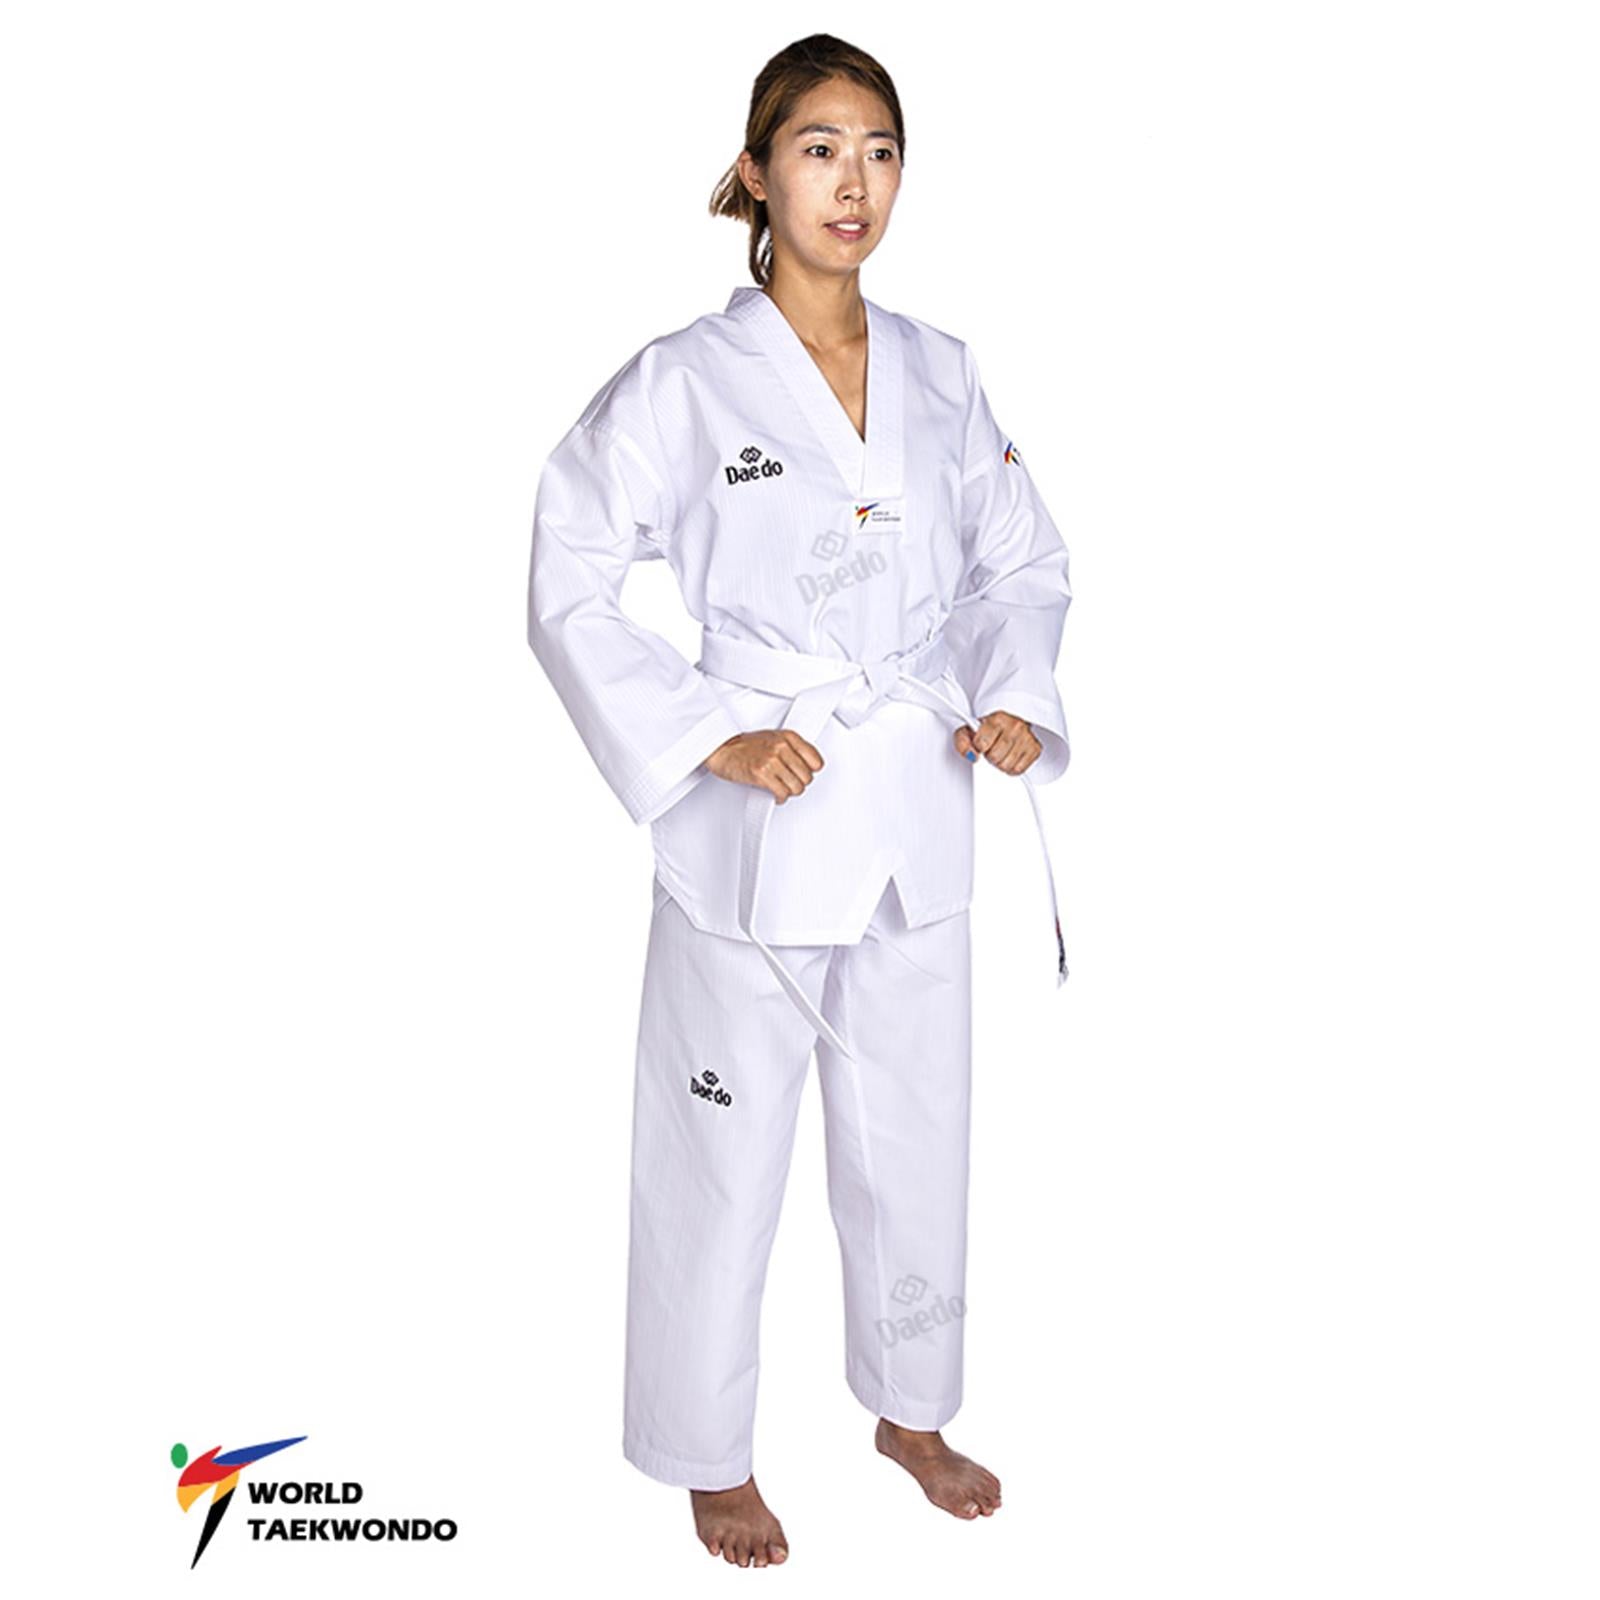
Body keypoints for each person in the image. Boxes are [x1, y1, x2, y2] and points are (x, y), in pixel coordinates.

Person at [526, 33, 1072, 1569]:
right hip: (757, 823)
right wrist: (709, 733)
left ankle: (910, 1408)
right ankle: (704, 1450)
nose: (855, 181)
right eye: (821, 148)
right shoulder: (685, 383)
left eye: (881, 151)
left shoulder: (945, 373)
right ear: (757, 174)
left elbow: (1022, 563)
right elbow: (566, 572)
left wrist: (1011, 695)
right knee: (719, 1143)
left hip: (916, 798)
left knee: (918, 1131)